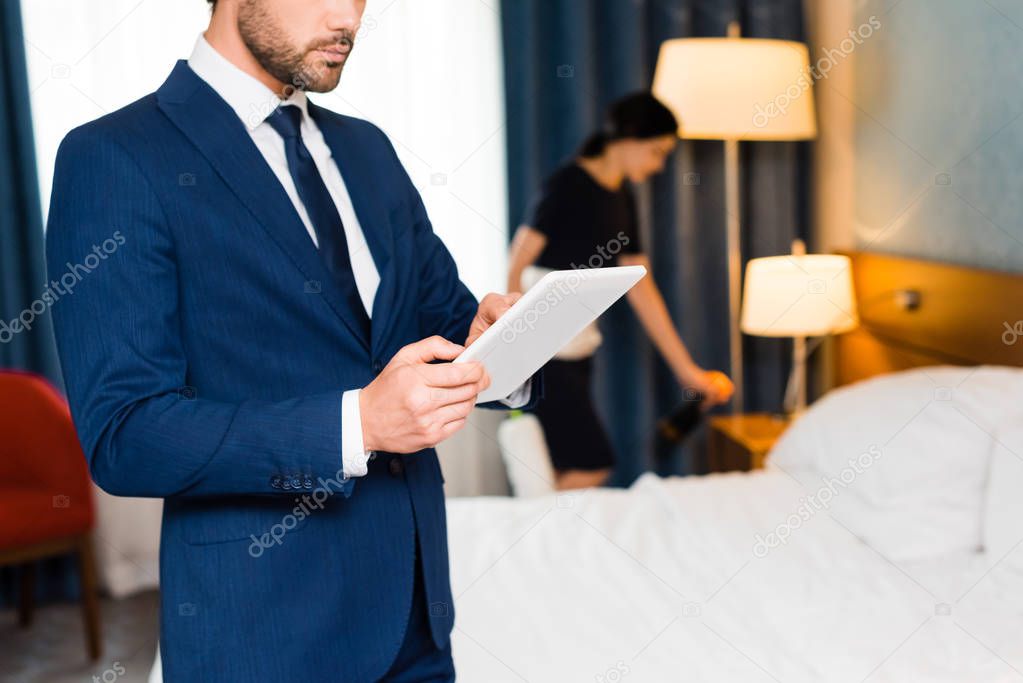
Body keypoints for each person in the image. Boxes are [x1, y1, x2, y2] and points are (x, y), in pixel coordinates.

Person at [45, 1, 540, 680]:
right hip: (266, 631)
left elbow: (446, 324)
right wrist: (358, 423)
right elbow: (126, 435)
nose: (348, 18)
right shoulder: (115, 156)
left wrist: (500, 347)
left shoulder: (367, 147)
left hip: (417, 616)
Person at [507, 92, 734, 491]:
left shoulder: (622, 196)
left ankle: (547, 540)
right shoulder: (568, 185)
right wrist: (516, 343)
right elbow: (517, 261)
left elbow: (641, 286)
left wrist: (687, 371)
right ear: (628, 139)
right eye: (657, 152)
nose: (660, 165)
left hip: (578, 345)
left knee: (563, 465)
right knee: (592, 462)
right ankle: (542, 535)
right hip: (544, 346)